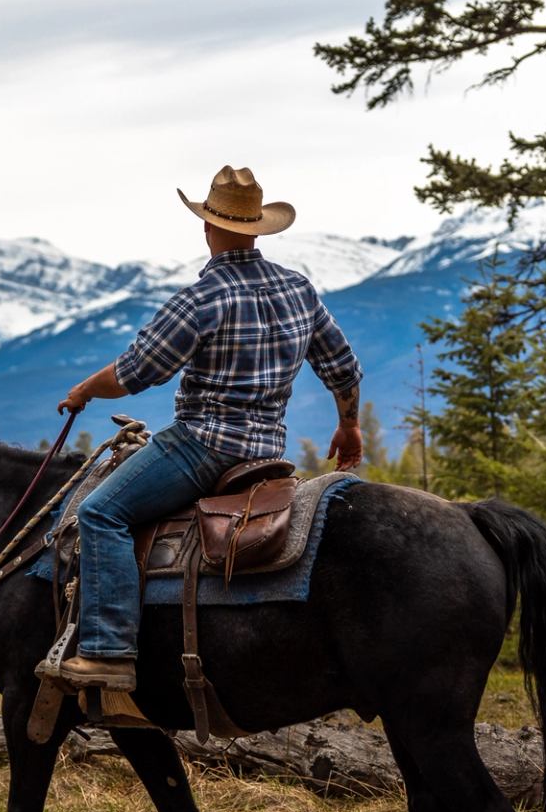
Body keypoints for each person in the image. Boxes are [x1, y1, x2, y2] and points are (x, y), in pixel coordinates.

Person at [51, 165, 364, 690]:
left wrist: (83, 390)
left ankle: (108, 651)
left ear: (206, 227)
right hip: (268, 451)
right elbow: (343, 366)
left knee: (100, 513)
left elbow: (135, 373)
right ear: (259, 228)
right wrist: (349, 426)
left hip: (203, 447)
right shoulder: (298, 288)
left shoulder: (202, 297)